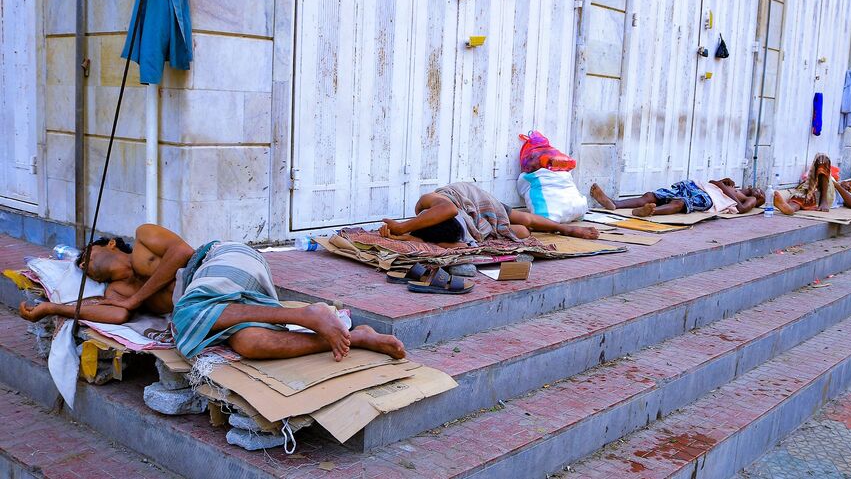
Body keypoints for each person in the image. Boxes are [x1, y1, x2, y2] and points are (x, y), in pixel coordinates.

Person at [19, 224, 405, 362]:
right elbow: (118, 316)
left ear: (110, 246)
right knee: (252, 344)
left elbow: (183, 253)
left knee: (185, 316)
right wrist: (54, 307)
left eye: (87, 255)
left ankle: (306, 314)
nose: (83, 263)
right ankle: (358, 338)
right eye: (80, 266)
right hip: (224, 301)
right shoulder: (117, 290)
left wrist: (136, 300)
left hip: (224, 259)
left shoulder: (142, 239)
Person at [378, 182, 598, 247]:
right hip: (472, 218)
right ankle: (499, 229)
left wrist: (401, 227)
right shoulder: (438, 232)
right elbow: (454, 245)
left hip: (476, 201)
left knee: (525, 219)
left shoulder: (426, 202)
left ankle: (567, 228)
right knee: (519, 232)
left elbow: (451, 209)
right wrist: (405, 237)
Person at [589, 179, 765, 217]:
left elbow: (741, 209)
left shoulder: (750, 200)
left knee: (680, 203)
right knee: (653, 195)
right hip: (695, 186)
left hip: (706, 197)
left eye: (761, 193)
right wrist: (722, 183)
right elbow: (712, 181)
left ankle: (649, 212)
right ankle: (614, 204)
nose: (758, 190)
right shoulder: (735, 187)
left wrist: (721, 186)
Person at [773, 154, 851, 215]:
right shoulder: (835, 178)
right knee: (801, 198)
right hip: (812, 189)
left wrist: (837, 185)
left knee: (823, 159)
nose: (849, 187)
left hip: (826, 197)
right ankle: (790, 209)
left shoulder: (843, 194)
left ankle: (823, 199)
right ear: (846, 180)